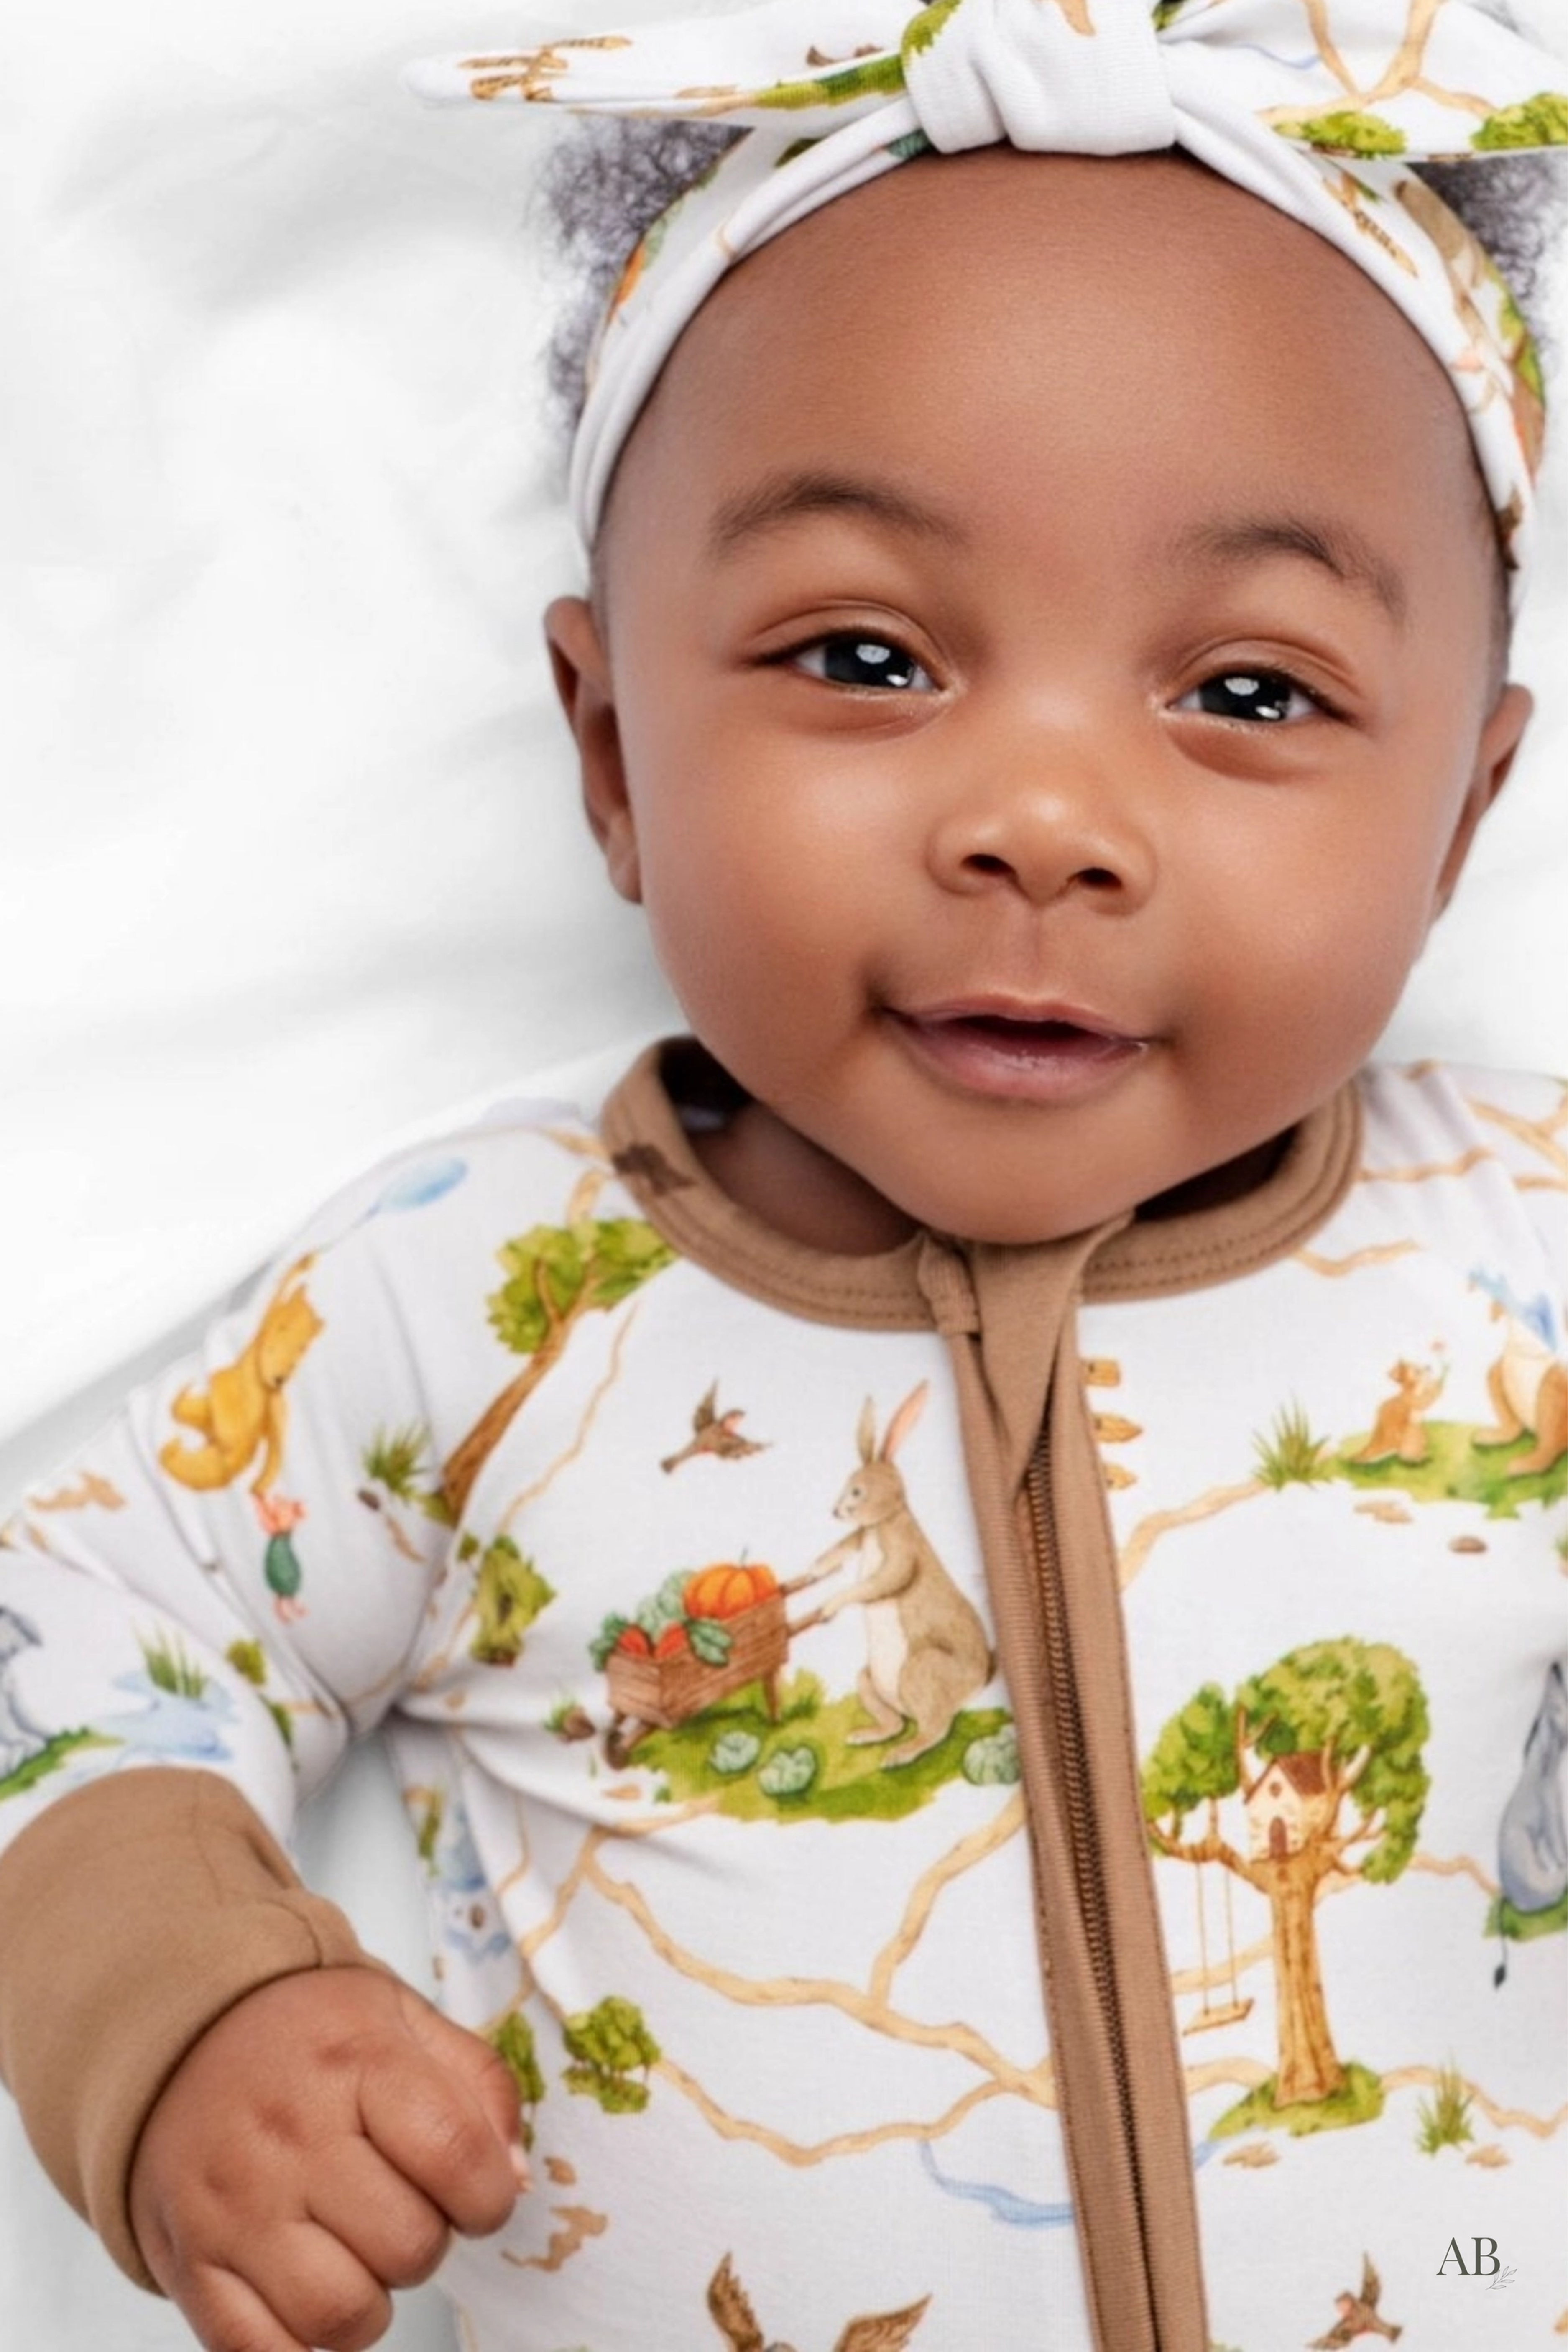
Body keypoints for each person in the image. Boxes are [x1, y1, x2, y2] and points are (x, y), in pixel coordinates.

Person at [1, 3, 1565, 2348]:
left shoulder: (1521, 1252)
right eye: (864, 654)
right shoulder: (482, 1301)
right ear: (613, 753)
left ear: (1456, 820)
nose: (1041, 821)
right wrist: (180, 2005)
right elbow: (74, 1632)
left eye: (1248, 694)